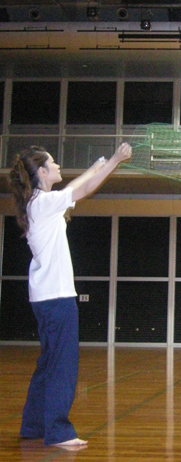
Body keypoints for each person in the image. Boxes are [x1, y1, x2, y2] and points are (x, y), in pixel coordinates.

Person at [8, 143, 132, 447]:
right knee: (62, 365)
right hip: (56, 297)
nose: (58, 165)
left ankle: (33, 426)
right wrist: (116, 161)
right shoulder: (42, 203)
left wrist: (96, 166)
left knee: (48, 363)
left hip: (45, 297)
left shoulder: (40, 203)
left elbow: (74, 188)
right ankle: (58, 431)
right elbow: (83, 190)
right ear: (41, 172)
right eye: (52, 162)